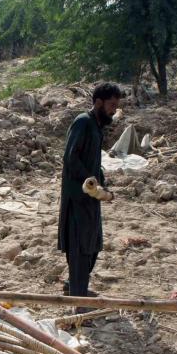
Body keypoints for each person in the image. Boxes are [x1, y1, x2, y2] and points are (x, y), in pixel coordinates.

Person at [58, 82, 123, 303]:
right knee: (80, 248)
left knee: (93, 245)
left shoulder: (96, 126)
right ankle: (78, 300)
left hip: (91, 196)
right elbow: (71, 158)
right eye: (111, 105)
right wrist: (90, 181)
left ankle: (73, 286)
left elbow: (93, 163)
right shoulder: (83, 123)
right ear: (98, 102)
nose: (114, 110)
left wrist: (102, 185)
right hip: (78, 197)